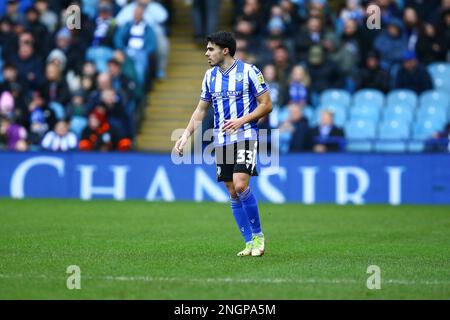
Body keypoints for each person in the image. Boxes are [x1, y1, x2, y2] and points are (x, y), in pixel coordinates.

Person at [174, 31, 272, 257]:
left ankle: (258, 236)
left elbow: (266, 105)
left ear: (224, 50)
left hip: (246, 135)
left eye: (210, 49)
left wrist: (242, 120)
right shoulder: (209, 76)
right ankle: (248, 242)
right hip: (221, 140)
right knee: (232, 191)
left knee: (240, 184)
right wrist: (185, 134)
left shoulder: (249, 71)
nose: (206, 53)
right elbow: (201, 110)